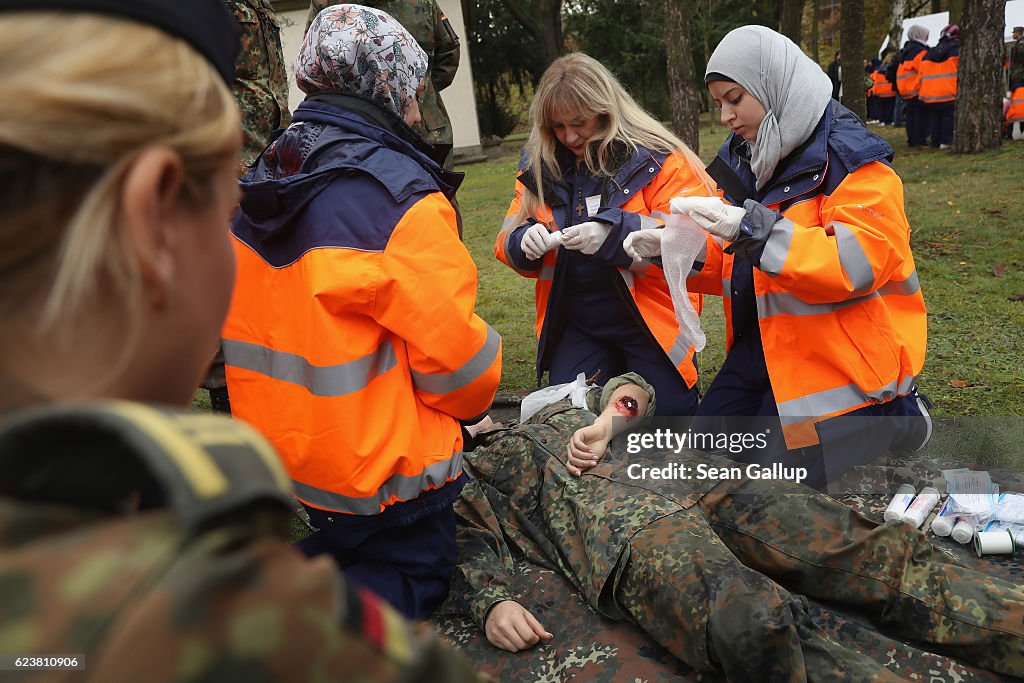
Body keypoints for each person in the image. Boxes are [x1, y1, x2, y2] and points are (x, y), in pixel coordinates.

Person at [0, 1, 478, 680]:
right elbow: (460, 363)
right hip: (392, 486)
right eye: (227, 189)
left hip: (297, 473)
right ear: (153, 219)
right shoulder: (248, 629)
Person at [453, 373, 1024, 680]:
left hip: (702, 478)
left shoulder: (545, 405)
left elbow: (635, 391)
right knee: (752, 621)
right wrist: (490, 602)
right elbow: (461, 537)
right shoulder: (458, 469)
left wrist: (605, 421)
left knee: (873, 550)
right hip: (630, 537)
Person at [222, 4, 501, 620]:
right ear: (387, 88)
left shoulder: (265, 174)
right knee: (419, 574)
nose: (414, 110)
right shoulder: (399, 198)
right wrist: (486, 373)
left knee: (340, 550)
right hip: (385, 478)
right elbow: (460, 372)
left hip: (294, 460)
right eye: (411, 94)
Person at [624, 26, 929, 488]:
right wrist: (673, 249)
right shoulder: (754, 158)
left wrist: (750, 229)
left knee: (775, 484)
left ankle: (899, 414)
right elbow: (739, 267)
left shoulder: (857, 164)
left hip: (841, 362)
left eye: (734, 99)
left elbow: (853, 266)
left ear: (772, 86)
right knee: (702, 458)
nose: (726, 116)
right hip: (768, 346)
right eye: (719, 103)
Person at [494, 52, 714, 417]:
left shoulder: (661, 159)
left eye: (579, 122)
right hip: (576, 322)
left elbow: (698, 246)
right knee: (566, 419)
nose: (569, 136)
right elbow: (507, 235)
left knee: (668, 421)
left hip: (651, 323)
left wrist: (613, 236)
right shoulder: (541, 166)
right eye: (557, 127)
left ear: (607, 109)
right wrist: (523, 241)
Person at [204, 0, 294, 414]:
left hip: (271, 159)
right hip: (223, 158)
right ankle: (225, 390)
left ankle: (266, 376)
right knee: (218, 278)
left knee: (263, 273)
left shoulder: (260, 5)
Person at [920, 24, 959, 149]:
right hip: (949, 91)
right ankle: (946, 141)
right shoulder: (956, 51)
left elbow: (921, 73)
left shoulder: (929, 53)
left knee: (934, 118)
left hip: (930, 93)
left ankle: (935, 142)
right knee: (948, 118)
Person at [895, 25, 931, 147]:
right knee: (920, 115)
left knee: (911, 115)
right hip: (916, 88)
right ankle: (919, 139)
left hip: (906, 89)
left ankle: (912, 139)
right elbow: (924, 69)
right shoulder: (920, 51)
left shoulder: (906, 51)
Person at [1008, 25, 1024, 90]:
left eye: (1014, 33)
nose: (1013, 35)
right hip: (1017, 74)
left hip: (1019, 74)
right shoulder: (1017, 44)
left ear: (1018, 33)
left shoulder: (1021, 45)